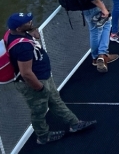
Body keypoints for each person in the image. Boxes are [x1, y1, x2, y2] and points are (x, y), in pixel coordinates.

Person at [5, 12, 96, 144]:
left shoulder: (13, 33)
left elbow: (26, 33)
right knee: (38, 110)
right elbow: (26, 73)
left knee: (55, 100)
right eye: (27, 22)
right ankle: (43, 136)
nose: (31, 22)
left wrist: (31, 32)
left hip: (43, 77)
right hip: (34, 83)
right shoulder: (22, 47)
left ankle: (74, 123)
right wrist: (40, 88)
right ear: (19, 29)